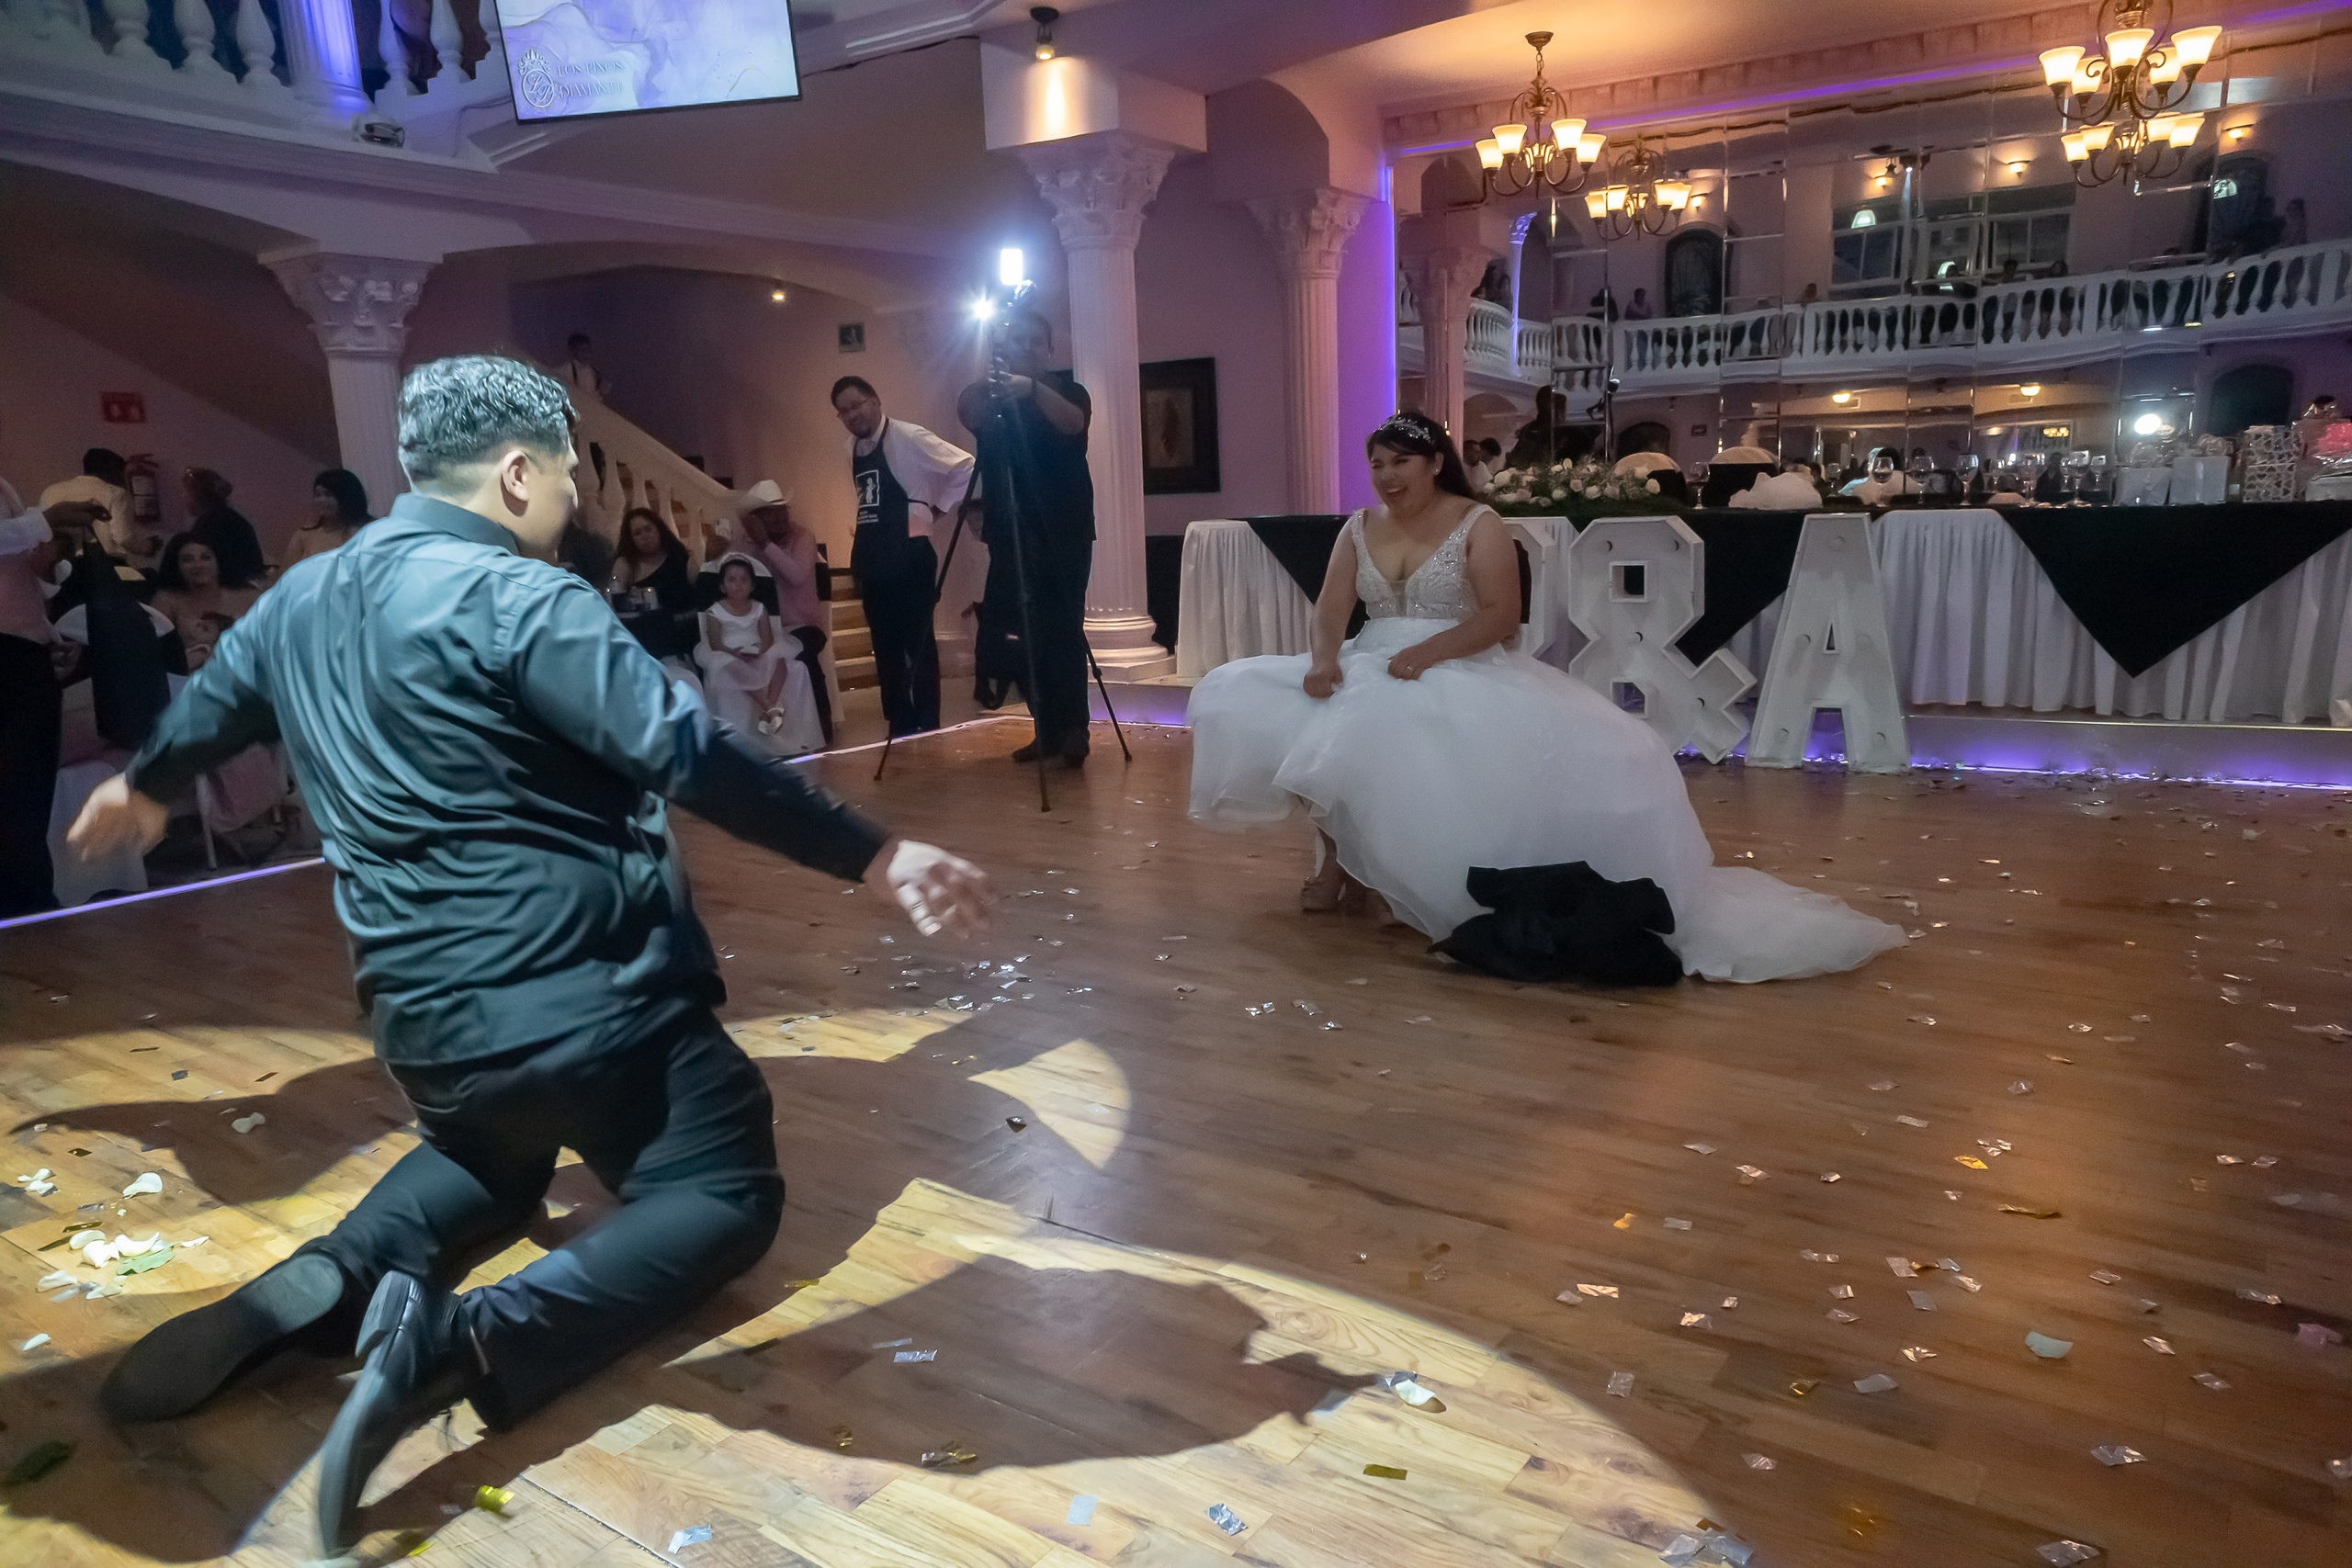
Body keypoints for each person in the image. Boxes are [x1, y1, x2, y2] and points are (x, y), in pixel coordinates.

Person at [66, 354, 991, 1560]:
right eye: (564, 476)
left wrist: (145, 786)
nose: (572, 501)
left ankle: (334, 1275)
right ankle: (461, 1340)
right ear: (514, 474)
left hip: (422, 1026)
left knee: (490, 1156)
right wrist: (874, 854)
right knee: (723, 1186)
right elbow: (692, 755)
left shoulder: (300, 597)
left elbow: (212, 707)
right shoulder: (524, 600)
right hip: (590, 1004)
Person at [1186, 412, 1903, 983]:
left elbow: (1501, 617)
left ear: (1434, 462)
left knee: (1386, 727)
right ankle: (1340, 862)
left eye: (1400, 461)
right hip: (1370, 656)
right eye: (1377, 463)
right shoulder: (1358, 527)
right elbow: (1332, 607)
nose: (1387, 476)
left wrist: (1427, 655)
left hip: (1458, 658)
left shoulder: (1478, 523)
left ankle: (1381, 871)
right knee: (1259, 695)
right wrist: (1322, 661)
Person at [956, 309, 1096, 766]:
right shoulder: (993, 398)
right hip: (1011, 530)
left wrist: (1031, 389)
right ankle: (1044, 729)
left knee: (1064, 628)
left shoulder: (1069, 391)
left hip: (1064, 529)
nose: (1029, 347)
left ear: (1050, 348)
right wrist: (996, 374)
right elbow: (967, 410)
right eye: (1018, 340)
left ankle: (1074, 731)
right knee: (1024, 632)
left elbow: (1073, 423)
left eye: (1037, 341)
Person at [829, 375, 975, 739]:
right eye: (843, 411)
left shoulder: (909, 436)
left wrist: (936, 508)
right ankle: (899, 721)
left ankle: (927, 723)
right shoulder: (851, 447)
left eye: (856, 405)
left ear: (875, 400)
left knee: (918, 642)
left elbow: (965, 465)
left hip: (910, 553)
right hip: (871, 553)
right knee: (883, 644)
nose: (851, 415)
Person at [0, 483, 107, 916]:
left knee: (29, 783)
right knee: (16, 784)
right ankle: (23, 906)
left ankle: (28, 904)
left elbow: (21, 580)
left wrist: (48, 634)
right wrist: (44, 521)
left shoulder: (4, 487)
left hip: (23, 652)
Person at [733, 479, 832, 744]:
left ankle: (821, 730)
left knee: (804, 657)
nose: (778, 518)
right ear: (756, 519)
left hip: (803, 625)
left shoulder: (803, 537)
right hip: (763, 627)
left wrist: (765, 543)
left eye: (781, 511)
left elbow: (796, 575)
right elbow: (733, 579)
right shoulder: (746, 544)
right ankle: (756, 735)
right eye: (769, 513)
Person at [694, 555, 822, 753]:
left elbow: (767, 638)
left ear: (752, 586)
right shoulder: (715, 611)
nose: (738, 585)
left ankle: (768, 709)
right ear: (722, 586)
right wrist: (734, 653)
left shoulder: (759, 608)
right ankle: (770, 707)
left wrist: (760, 652)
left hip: (755, 649)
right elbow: (715, 643)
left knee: (779, 659)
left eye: (743, 580)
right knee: (731, 666)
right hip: (728, 653)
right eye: (732, 580)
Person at [40, 447, 150, 570]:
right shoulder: (116, 493)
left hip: (60, 567)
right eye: (121, 473)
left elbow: (43, 531)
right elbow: (123, 537)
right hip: (104, 568)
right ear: (113, 472)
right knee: (149, 575)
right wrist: (147, 547)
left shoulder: (50, 491)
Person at [150, 532, 260, 652]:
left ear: (218, 560)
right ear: (176, 566)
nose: (198, 565)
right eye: (188, 560)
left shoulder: (248, 595)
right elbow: (151, 647)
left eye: (206, 558)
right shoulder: (167, 600)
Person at [182, 468, 266, 590]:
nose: (183, 496)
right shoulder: (234, 519)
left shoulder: (208, 524)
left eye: (186, 492)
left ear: (199, 495)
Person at [282, 468, 371, 570]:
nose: (321, 500)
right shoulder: (305, 536)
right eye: (318, 495)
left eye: (328, 495)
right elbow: (287, 575)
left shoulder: (368, 531)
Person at [559, 332, 611, 400]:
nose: (586, 353)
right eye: (582, 350)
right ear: (572, 351)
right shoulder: (564, 371)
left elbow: (601, 392)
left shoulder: (595, 371)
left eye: (588, 350)